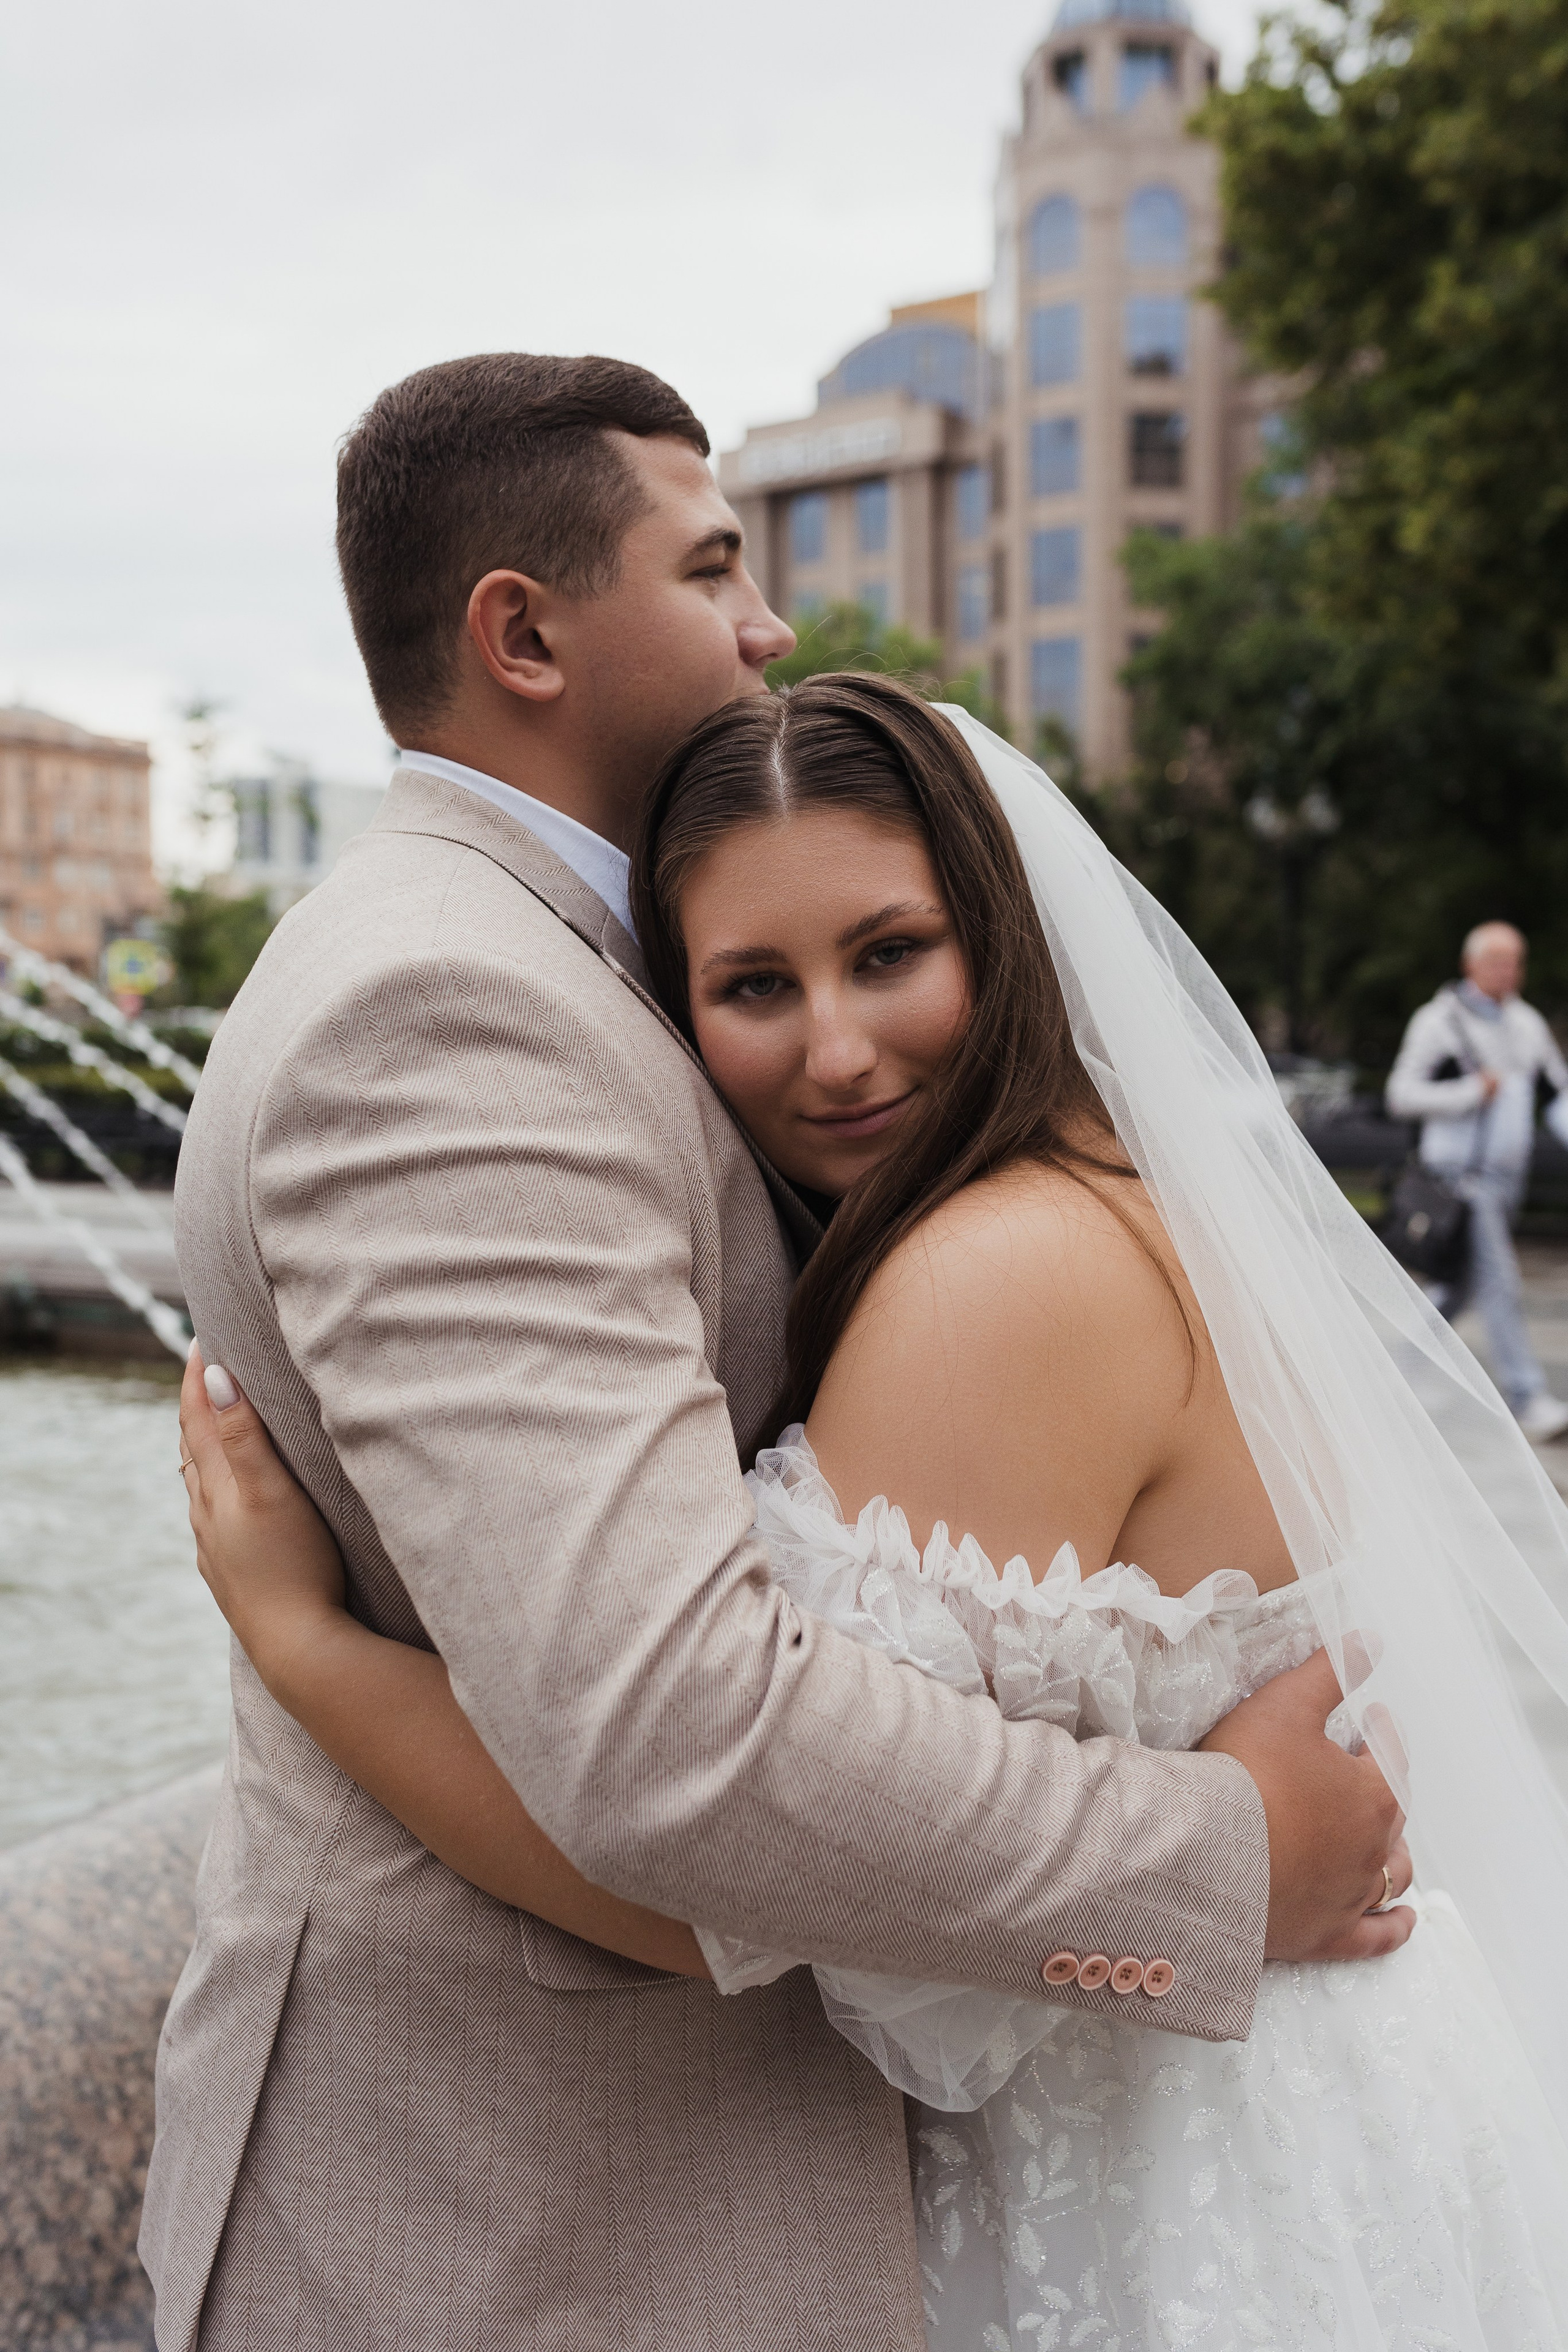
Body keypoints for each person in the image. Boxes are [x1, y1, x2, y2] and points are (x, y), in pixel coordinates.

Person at [145, 353, 1406, 2352]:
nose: (770, 623)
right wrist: (1217, 1872)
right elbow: (676, 1733)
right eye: (717, 565)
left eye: (887, 954)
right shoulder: (449, 1009)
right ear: (524, 630)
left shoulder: (560, 976)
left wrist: (305, 1642)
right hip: (535, 2218)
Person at [1387, 920, 1568, 1440]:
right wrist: (1469, 1092)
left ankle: (1390, 1380)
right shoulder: (1439, 1022)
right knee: (1500, 1283)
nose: (1506, 971)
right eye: (1496, 960)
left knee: (1456, 1290)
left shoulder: (1527, 1024)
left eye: (1514, 961)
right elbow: (1402, 1095)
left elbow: (1556, 1096)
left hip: (1508, 1180)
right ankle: (1527, 1396)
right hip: (1460, 1182)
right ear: (1470, 965)